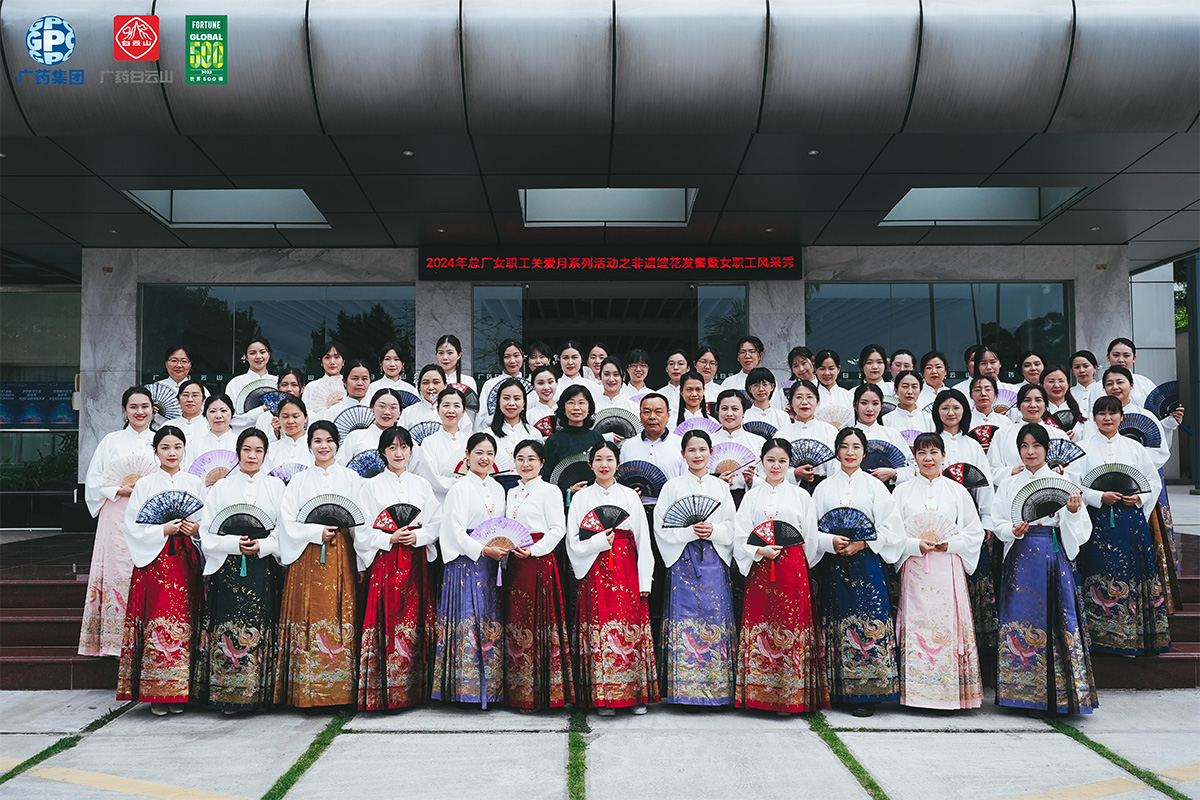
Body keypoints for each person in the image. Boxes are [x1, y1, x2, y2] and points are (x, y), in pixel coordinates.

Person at [991, 424, 1095, 715]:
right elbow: (997, 521)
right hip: (1020, 556)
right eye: (1024, 446)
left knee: (1057, 616)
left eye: (1036, 446)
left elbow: (1080, 529)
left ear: (1047, 449)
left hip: (1052, 554)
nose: (1030, 452)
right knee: (1019, 616)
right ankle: (1018, 692)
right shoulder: (1010, 484)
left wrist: (1073, 512)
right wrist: (1012, 529)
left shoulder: (1061, 481)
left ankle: (1061, 693)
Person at [812, 427, 906, 717]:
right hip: (834, 564)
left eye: (856, 447)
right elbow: (810, 529)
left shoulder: (876, 487)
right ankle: (837, 688)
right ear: (837, 451)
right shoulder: (823, 488)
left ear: (864, 453)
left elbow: (893, 529)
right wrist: (831, 542)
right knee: (836, 619)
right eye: (844, 446)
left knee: (868, 621)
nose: (850, 452)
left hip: (867, 563)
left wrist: (863, 542)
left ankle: (868, 692)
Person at [194, 429, 286, 713]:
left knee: (264, 622)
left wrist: (265, 544)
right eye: (247, 450)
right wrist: (233, 543)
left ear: (265, 454)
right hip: (230, 567)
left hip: (263, 566)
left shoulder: (276, 488)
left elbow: (285, 529)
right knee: (229, 624)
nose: (252, 456)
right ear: (238, 452)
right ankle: (229, 695)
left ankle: (262, 693)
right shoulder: (220, 488)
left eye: (258, 450)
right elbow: (207, 531)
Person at [733, 438, 827, 714]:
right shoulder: (751, 496)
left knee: (791, 626)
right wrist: (758, 549)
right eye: (771, 460)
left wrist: (795, 563)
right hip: (760, 566)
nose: (776, 466)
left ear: (790, 464)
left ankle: (790, 697)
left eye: (782, 461)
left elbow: (810, 538)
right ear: (762, 462)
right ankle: (758, 694)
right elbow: (740, 534)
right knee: (761, 625)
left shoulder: (801, 496)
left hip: (791, 569)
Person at [1068, 396, 1168, 656]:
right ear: (1093, 417)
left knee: (1134, 572)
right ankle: (1101, 638)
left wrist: (1140, 497)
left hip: (1130, 521)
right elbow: (1074, 483)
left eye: (1113, 413)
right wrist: (1099, 496)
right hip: (1097, 523)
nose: (1107, 418)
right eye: (1101, 413)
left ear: (1122, 417)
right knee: (1098, 572)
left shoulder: (1135, 447)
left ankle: (1134, 637)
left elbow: (1151, 481)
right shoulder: (1082, 447)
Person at [893, 432, 985, 710]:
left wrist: (950, 544)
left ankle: (950, 694)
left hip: (948, 567)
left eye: (934, 452)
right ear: (915, 458)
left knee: (948, 625)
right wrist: (914, 544)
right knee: (916, 623)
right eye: (922, 453)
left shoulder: (957, 492)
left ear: (944, 456)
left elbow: (974, 532)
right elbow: (893, 534)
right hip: (915, 566)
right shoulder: (901, 492)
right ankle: (915, 693)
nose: (928, 458)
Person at [117, 425, 205, 716]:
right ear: (155, 451)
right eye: (165, 447)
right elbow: (133, 526)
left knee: (186, 618)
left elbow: (207, 521)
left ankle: (182, 692)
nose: (172, 453)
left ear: (184, 449)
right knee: (157, 618)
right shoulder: (144, 485)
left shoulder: (195, 483)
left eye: (177, 446)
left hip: (185, 561)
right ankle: (157, 692)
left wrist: (196, 529)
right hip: (155, 563)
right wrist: (162, 529)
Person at [566, 442, 658, 716]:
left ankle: (634, 696)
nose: (603, 464)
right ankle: (601, 696)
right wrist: (597, 542)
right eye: (598, 459)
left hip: (627, 567)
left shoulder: (629, 495)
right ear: (590, 464)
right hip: (595, 567)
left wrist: (645, 580)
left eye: (609, 459)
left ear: (617, 463)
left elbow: (642, 539)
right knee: (599, 626)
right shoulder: (582, 498)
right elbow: (573, 540)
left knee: (630, 629)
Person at [274, 421, 361, 708]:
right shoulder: (298, 481)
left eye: (329, 440)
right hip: (308, 556)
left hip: (342, 553)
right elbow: (286, 520)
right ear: (309, 444)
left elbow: (362, 520)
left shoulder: (351, 478)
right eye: (317, 441)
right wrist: (314, 532)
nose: (323, 446)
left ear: (337, 443)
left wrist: (361, 559)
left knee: (341, 612)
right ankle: (307, 689)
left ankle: (342, 690)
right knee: (307, 613)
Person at [357, 426, 441, 711]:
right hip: (385, 561)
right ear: (383, 452)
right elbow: (362, 529)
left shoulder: (421, 485)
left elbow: (435, 523)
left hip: (416, 562)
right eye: (392, 447)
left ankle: (418, 691)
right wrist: (387, 538)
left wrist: (418, 536)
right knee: (387, 620)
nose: (398, 452)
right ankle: (386, 691)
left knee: (415, 621)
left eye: (403, 446)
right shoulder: (370, 486)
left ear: (410, 451)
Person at [653, 430, 738, 708]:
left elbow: (732, 526)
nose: (697, 455)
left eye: (702, 449)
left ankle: (718, 691)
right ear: (682, 454)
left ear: (711, 453)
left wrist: (713, 530)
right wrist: (689, 532)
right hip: (682, 560)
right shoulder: (672, 487)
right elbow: (662, 528)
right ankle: (684, 691)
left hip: (714, 559)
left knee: (714, 616)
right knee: (684, 619)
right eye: (691, 450)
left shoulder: (721, 488)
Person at [79, 387, 157, 657]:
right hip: (116, 512)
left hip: (150, 515)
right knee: (117, 570)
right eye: (133, 407)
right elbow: (95, 479)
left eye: (144, 406)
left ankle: (148, 640)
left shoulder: (161, 440)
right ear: (124, 410)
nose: (139, 412)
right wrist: (119, 490)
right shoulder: (111, 441)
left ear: (153, 409)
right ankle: (114, 643)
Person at [433, 432, 507, 708]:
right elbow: (452, 529)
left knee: (490, 621)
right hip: (466, 562)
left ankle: (493, 689)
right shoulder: (459, 488)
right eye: (478, 453)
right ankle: (465, 690)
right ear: (467, 456)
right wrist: (482, 549)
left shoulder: (499, 489)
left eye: (489, 453)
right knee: (468, 621)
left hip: (492, 563)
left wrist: (497, 550)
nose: (484, 458)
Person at [503, 440, 573, 712]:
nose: (526, 464)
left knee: (539, 622)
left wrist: (534, 550)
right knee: (517, 621)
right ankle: (518, 691)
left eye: (531, 459)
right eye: (520, 459)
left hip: (539, 560)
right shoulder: (513, 493)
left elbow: (558, 529)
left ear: (542, 463)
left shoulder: (549, 491)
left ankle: (544, 692)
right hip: (515, 563)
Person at [930, 389, 999, 652]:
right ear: (937, 411)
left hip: (970, 518)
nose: (950, 413)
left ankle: (977, 646)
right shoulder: (932, 443)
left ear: (964, 411)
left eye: (956, 408)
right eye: (945, 408)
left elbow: (985, 485)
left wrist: (987, 520)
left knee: (976, 576)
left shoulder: (972, 444)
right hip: (939, 519)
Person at [988, 384, 1068, 485]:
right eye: (1027, 400)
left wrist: (1060, 472)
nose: (1033, 405)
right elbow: (991, 470)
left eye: (1038, 400)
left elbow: (1072, 472)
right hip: (1014, 489)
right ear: (1019, 405)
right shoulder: (1002, 434)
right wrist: (1012, 471)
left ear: (1046, 405)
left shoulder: (1059, 435)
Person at [414, 386, 473, 506]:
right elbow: (431, 478)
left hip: (469, 501)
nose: (451, 410)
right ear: (438, 410)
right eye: (446, 405)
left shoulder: (471, 440)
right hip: (440, 503)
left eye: (456, 406)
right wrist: (460, 483)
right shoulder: (429, 442)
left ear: (463, 411)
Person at [541, 384, 604, 490]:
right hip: (563, 499)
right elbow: (548, 478)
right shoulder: (554, 441)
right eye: (571, 402)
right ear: (563, 407)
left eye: (581, 403)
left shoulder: (597, 438)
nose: (576, 408)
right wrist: (569, 492)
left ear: (589, 407)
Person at [782, 380, 839, 493]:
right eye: (798, 397)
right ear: (791, 403)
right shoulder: (782, 434)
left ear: (817, 401)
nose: (804, 402)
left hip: (823, 488)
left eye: (809, 397)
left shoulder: (830, 431)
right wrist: (794, 474)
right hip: (790, 490)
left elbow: (836, 467)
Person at [852, 384, 912, 487]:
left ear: (881, 406)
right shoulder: (847, 436)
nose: (869, 409)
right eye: (864, 403)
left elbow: (911, 469)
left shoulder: (892, 435)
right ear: (855, 405)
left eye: (875, 403)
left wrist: (893, 473)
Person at [712, 389, 766, 501]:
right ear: (718, 411)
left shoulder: (758, 442)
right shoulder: (708, 441)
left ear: (744, 412)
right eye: (724, 408)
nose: (729, 413)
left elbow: (767, 476)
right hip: (716, 498)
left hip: (747, 498)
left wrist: (752, 480)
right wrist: (716, 482)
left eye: (735, 409)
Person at [484, 378, 544, 474]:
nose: (511, 403)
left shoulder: (534, 434)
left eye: (517, 398)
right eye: (506, 398)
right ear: (498, 401)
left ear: (524, 403)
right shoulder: (487, 434)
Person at [337, 388, 402, 466]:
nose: (387, 412)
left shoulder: (406, 440)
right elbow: (341, 467)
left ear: (400, 412)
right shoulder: (355, 437)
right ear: (372, 408)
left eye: (393, 408)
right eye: (382, 406)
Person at [225, 337, 275, 432]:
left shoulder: (278, 382)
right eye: (252, 353)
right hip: (243, 437)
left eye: (262, 352)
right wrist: (262, 409)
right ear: (246, 357)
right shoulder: (235, 383)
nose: (258, 356)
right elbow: (231, 419)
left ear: (269, 354)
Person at [721, 336, 783, 407]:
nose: (747, 356)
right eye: (743, 352)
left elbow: (776, 407)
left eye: (752, 351)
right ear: (738, 357)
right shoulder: (728, 382)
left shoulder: (769, 381)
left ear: (760, 355)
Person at [185, 394, 238, 473]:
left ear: (232, 413)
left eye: (223, 411)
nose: (218, 416)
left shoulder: (242, 444)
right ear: (205, 415)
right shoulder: (194, 446)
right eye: (212, 411)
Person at [265, 396, 314, 474]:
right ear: (278, 418)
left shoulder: (316, 448)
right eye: (285, 417)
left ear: (305, 418)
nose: (290, 421)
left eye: (295, 416)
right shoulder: (270, 450)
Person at [252, 369, 304, 442]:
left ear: (302, 388)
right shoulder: (264, 418)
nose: (289, 389)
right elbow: (260, 446)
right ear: (278, 388)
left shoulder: (311, 416)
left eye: (294, 385)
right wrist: (276, 433)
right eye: (284, 385)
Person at [479, 339, 526, 419]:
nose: (512, 361)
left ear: (523, 356)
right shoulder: (490, 384)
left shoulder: (531, 385)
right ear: (500, 358)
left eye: (516, 355)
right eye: (507, 357)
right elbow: (482, 416)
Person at [883, 370, 933, 434]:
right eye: (905, 386)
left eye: (914, 387)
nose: (910, 392)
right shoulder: (886, 420)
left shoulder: (929, 420)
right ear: (896, 390)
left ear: (920, 391)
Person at [302, 341, 345, 412]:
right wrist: (328, 409)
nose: (332, 362)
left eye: (336, 357)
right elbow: (305, 415)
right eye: (327, 357)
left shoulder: (350, 384)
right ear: (321, 362)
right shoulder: (311, 387)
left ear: (343, 361)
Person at [400, 365, 447, 430]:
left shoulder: (454, 412)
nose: (431, 387)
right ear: (419, 387)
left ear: (445, 385)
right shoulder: (408, 412)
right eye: (425, 383)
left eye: (436, 382)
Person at [744, 366, 790, 433]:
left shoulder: (782, 416)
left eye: (765, 384)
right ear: (749, 389)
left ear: (772, 387)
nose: (761, 389)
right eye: (756, 385)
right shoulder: (744, 416)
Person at [973, 346, 1016, 415]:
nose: (989, 367)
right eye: (983, 363)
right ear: (977, 366)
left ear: (1000, 364)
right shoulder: (968, 392)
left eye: (992, 362)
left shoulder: (1014, 390)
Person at [657, 348, 691, 413]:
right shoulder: (658, 394)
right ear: (666, 369)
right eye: (671, 364)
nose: (675, 368)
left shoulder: (695, 394)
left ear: (688, 368)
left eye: (680, 364)